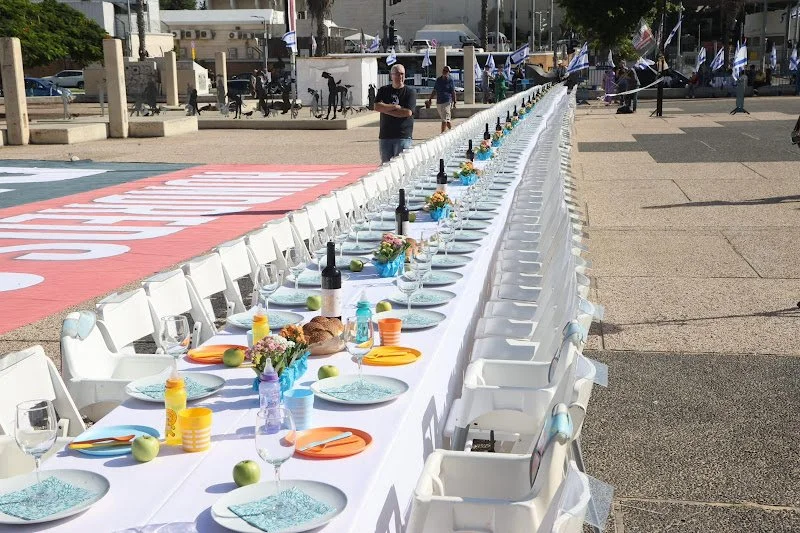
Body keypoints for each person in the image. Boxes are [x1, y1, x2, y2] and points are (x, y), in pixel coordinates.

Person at [374, 63, 416, 163]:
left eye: (402, 74)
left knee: (401, 165)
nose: (400, 76)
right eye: (397, 74)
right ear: (391, 75)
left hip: (403, 136)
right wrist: (394, 107)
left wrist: (385, 109)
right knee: (385, 166)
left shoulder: (410, 92)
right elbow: (376, 106)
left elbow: (407, 112)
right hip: (385, 136)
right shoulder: (383, 90)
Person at [426, 65, 456, 133]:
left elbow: (453, 91)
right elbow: (435, 90)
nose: (444, 72)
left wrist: (454, 102)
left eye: (446, 71)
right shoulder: (438, 80)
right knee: (446, 120)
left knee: (444, 120)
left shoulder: (450, 80)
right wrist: (430, 99)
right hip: (439, 101)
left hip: (447, 101)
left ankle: (442, 134)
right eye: (444, 70)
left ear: (448, 72)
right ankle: (453, 132)